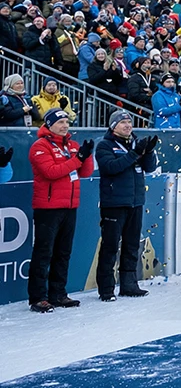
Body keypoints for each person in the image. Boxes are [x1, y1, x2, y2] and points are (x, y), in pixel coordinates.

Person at [27, 109, 95, 312]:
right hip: (48, 207)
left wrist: (86, 156)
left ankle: (58, 294)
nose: (65, 126)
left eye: (67, 122)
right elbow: (51, 172)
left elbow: (85, 172)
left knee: (63, 253)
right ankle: (38, 297)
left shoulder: (72, 146)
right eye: (60, 122)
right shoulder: (40, 146)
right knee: (43, 253)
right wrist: (77, 159)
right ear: (49, 125)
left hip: (70, 206)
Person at [94, 111, 159, 301]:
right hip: (114, 203)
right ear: (113, 126)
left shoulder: (135, 143)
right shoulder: (105, 145)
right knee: (110, 246)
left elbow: (150, 168)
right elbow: (112, 167)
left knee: (131, 246)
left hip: (135, 201)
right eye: (123, 122)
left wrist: (149, 152)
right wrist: (135, 153)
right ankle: (106, 289)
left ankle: (129, 284)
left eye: (129, 122)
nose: (128, 126)